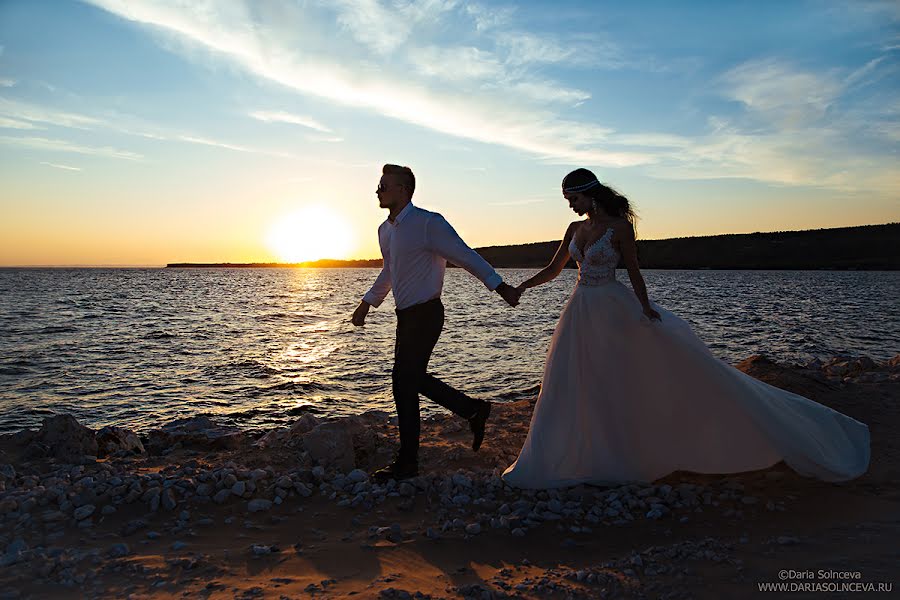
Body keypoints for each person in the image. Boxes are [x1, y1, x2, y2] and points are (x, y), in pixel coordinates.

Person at [501, 168, 870, 489]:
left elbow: (632, 270)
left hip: (613, 307)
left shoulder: (619, 228)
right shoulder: (573, 228)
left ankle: (624, 453)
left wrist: (645, 308)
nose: (571, 206)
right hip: (580, 310)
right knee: (577, 378)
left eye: (574, 198)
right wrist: (521, 287)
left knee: (620, 376)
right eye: (568, 200)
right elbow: (554, 270)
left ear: (590, 195)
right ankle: (581, 452)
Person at [352, 164, 521, 481]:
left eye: (384, 185)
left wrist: (500, 287)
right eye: (378, 185)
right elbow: (390, 270)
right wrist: (367, 303)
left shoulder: (428, 223)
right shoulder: (385, 231)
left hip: (427, 314)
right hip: (405, 316)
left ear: (403, 190)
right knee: (409, 380)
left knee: (404, 382)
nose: (378, 190)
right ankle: (472, 410)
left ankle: (408, 462)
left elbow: (465, 255)